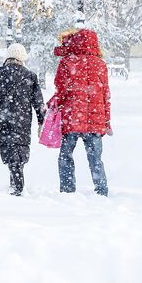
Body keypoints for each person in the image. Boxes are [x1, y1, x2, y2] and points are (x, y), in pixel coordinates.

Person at [52, 27, 111, 196]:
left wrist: (60, 106)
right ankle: (101, 190)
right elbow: (105, 93)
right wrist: (106, 119)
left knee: (66, 155)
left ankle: (68, 189)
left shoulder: (67, 62)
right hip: (95, 118)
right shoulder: (100, 64)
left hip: (72, 117)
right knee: (95, 159)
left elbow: (60, 89)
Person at [0, 43, 45, 196]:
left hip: (4, 118)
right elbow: (38, 102)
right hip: (23, 119)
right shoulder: (30, 75)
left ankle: (16, 183)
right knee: (20, 148)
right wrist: (41, 121)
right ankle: (17, 179)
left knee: (9, 148)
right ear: (22, 58)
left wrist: (0, 107)